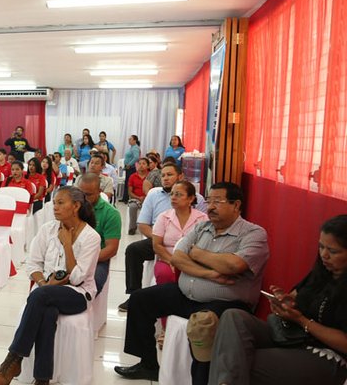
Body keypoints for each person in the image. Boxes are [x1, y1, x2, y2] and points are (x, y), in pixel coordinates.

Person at [114, 182, 269, 383]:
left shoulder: (253, 234)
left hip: (225, 302)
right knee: (140, 300)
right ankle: (148, 364)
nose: (211, 206)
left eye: (218, 201)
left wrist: (196, 253)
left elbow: (233, 266)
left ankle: (200, 381)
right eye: (210, 200)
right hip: (186, 294)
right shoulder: (202, 227)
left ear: (236, 205)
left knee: (203, 328)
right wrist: (210, 273)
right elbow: (177, 257)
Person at [208, 215, 347, 385]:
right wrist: (284, 302)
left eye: (333, 251)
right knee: (233, 317)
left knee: (239, 362)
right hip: (294, 335)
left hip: (329, 355)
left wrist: (302, 320)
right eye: (321, 247)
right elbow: (296, 299)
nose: (324, 255)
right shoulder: (321, 273)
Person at [0, 186, 101, 385]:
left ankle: (14, 359)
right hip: (46, 289)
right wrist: (43, 282)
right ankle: (42, 379)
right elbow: (33, 264)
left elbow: (77, 279)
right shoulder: (47, 229)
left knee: (40, 296)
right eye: (54, 202)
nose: (54, 207)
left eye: (60, 203)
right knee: (47, 312)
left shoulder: (91, 237)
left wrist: (67, 244)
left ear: (76, 206)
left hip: (78, 294)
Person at [118, 162, 206, 312]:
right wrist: (160, 238)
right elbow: (143, 224)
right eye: (163, 175)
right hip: (158, 237)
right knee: (133, 250)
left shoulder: (197, 198)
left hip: (189, 243)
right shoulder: (153, 194)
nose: (165, 178)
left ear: (181, 176)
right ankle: (134, 293)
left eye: (169, 175)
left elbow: (205, 228)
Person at [152, 180, 208, 287]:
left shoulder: (202, 219)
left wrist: (185, 264)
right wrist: (173, 262)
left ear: (191, 198)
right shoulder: (164, 217)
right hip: (167, 259)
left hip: (193, 261)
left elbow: (206, 245)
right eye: (172, 194)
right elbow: (157, 245)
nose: (173, 197)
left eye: (178, 194)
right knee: (165, 274)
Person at [77, 174, 121, 293]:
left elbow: (111, 249)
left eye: (89, 194)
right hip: (71, 255)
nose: (84, 198)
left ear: (99, 192)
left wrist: (85, 260)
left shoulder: (111, 213)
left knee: (90, 285)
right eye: (81, 194)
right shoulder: (73, 207)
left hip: (97, 260)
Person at [126, 158, 150, 235]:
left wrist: (146, 198)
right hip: (136, 199)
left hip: (149, 199)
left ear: (148, 166)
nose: (141, 166)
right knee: (133, 206)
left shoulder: (151, 176)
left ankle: (148, 228)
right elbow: (130, 192)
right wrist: (138, 198)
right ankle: (132, 228)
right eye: (139, 164)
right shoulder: (133, 176)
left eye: (144, 164)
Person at [122, 135, 141, 203]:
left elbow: (136, 157)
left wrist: (129, 164)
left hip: (131, 168)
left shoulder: (135, 148)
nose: (129, 140)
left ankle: (127, 198)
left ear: (134, 140)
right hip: (128, 167)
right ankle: (125, 198)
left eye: (130, 139)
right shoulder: (132, 147)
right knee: (127, 182)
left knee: (129, 183)